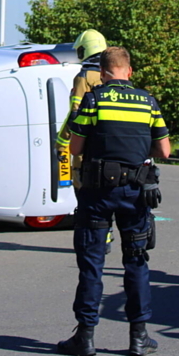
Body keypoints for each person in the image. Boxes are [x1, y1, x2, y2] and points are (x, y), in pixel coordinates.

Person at [57, 46, 170, 356]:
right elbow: (165, 150)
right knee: (136, 261)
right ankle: (139, 337)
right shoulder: (148, 101)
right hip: (136, 193)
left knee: (92, 263)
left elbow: (76, 147)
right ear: (128, 71)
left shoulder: (94, 99)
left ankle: (86, 337)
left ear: (103, 73)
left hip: (97, 192)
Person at [57, 29, 115, 250]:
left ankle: (93, 238)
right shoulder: (111, 73)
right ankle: (107, 234)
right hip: (110, 143)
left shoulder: (84, 76)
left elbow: (76, 113)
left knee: (84, 191)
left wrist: (62, 140)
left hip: (86, 146)